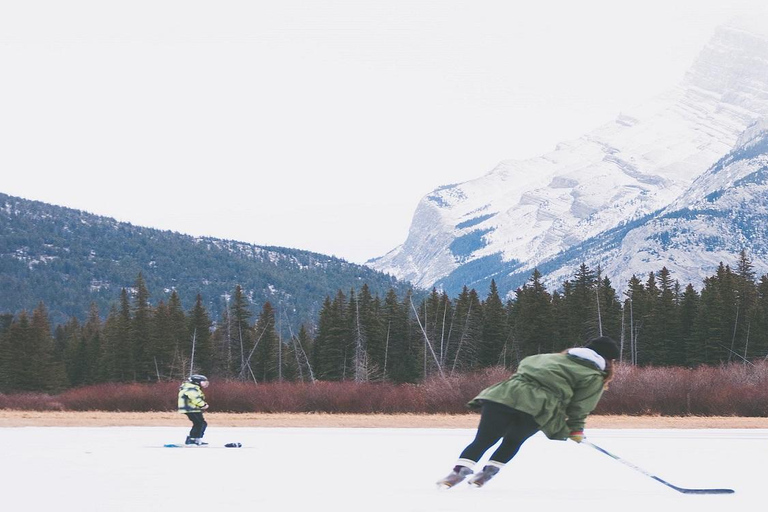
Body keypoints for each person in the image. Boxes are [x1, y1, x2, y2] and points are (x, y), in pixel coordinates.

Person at [437, 336, 620, 488]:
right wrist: (576, 429)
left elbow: (524, 364)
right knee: (513, 440)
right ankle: (489, 471)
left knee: (484, 439)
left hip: (504, 395)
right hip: (539, 407)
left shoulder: (547, 357)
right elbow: (580, 406)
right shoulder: (593, 376)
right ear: (607, 361)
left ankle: (459, 470)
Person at [178, 374, 210, 446]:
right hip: (190, 409)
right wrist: (203, 405)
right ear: (196, 382)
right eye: (203, 382)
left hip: (194, 409)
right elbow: (195, 398)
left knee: (201, 423)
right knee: (199, 423)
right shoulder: (191, 389)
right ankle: (192, 439)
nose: (204, 384)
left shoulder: (193, 388)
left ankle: (196, 438)